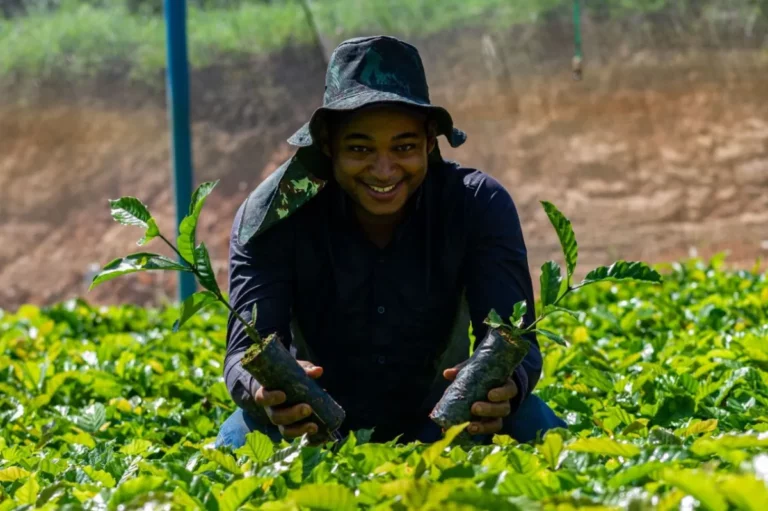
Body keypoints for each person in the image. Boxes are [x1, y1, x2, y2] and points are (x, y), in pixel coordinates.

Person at [216, 35, 566, 448]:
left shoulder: (476, 204)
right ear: (327, 145)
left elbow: (516, 339)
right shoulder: (273, 217)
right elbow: (243, 353)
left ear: (430, 140)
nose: (384, 170)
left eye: (404, 147)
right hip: (314, 428)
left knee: (538, 429)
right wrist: (266, 395)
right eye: (360, 149)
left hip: (448, 423)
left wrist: (507, 387)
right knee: (237, 442)